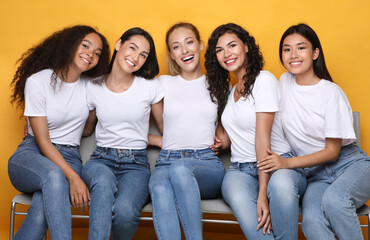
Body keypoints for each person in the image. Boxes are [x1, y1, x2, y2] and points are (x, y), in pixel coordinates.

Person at [257, 23, 370, 240]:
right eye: (287, 49)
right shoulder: (283, 82)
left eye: (301, 48)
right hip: (316, 175)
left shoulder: (331, 92)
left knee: (335, 201)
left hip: (350, 164)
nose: (293, 55)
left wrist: (286, 163)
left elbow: (332, 152)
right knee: (311, 222)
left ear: (315, 53)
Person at [8, 25, 110, 240]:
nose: (90, 54)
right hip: (32, 153)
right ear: (70, 44)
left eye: (97, 53)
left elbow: (87, 130)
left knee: (42, 206)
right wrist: (74, 178)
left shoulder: (90, 86)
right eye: (85, 46)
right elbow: (44, 142)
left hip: (69, 155)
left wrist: (95, 105)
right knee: (54, 177)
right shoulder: (38, 81)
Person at [205, 23, 306, 240]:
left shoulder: (264, 81)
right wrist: (219, 143)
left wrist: (263, 193)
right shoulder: (232, 90)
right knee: (253, 221)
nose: (226, 54)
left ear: (247, 47)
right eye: (219, 50)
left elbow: (262, 140)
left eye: (232, 45)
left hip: (277, 164)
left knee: (279, 188)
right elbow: (232, 135)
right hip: (239, 170)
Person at [81, 27, 163, 240]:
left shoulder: (150, 87)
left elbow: (167, 129)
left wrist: (153, 139)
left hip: (135, 164)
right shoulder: (93, 86)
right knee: (104, 181)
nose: (135, 58)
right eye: (132, 48)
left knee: (126, 213)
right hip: (100, 159)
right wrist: (39, 125)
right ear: (119, 44)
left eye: (143, 55)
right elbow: (87, 128)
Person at [148, 22, 225, 240]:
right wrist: (155, 140)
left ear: (200, 45)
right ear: (172, 55)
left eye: (189, 42)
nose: (185, 50)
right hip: (166, 161)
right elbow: (127, 117)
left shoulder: (219, 83)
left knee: (181, 168)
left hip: (206, 163)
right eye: (176, 46)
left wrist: (223, 143)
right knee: (160, 187)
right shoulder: (161, 84)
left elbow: (227, 131)